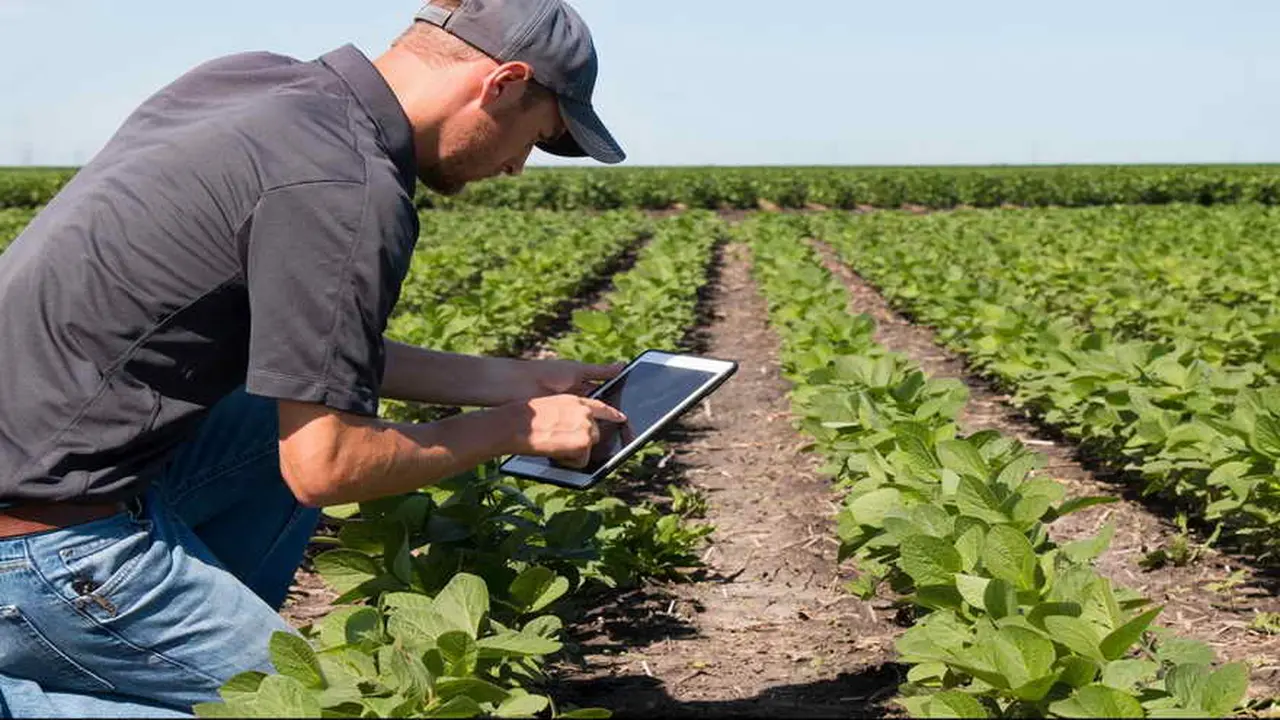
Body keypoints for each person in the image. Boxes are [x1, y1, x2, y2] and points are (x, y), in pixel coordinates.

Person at [0, 0, 627, 716]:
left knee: (269, 413)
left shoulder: (250, 85)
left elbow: (312, 355)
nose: (517, 168)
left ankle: (162, 654)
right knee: (332, 708)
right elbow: (328, 468)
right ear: (505, 84)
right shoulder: (350, 187)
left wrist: (519, 381)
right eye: (535, 138)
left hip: (38, 476)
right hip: (45, 549)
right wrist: (516, 428)